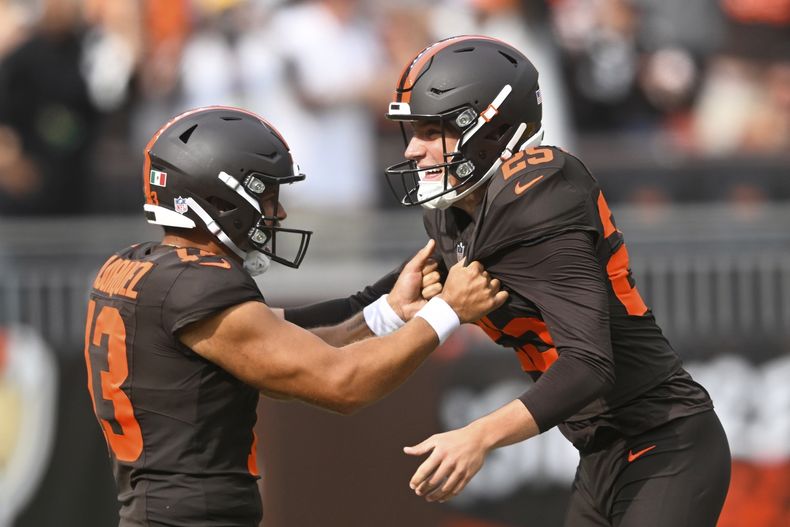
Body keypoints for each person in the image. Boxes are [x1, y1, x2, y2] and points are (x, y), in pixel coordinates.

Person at [285, 36, 731, 527]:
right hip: (601, 454)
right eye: (412, 131)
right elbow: (373, 303)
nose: (413, 149)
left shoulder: (539, 197)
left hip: (665, 442)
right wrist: (266, 322)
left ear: (490, 127)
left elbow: (589, 364)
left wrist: (479, 435)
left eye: (432, 130)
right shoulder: (459, 211)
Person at [82, 105, 507, 527]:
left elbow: (288, 338)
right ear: (220, 198)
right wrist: (448, 312)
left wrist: (389, 311)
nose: (278, 213)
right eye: (267, 197)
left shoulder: (135, 268)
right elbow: (343, 383)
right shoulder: (197, 286)